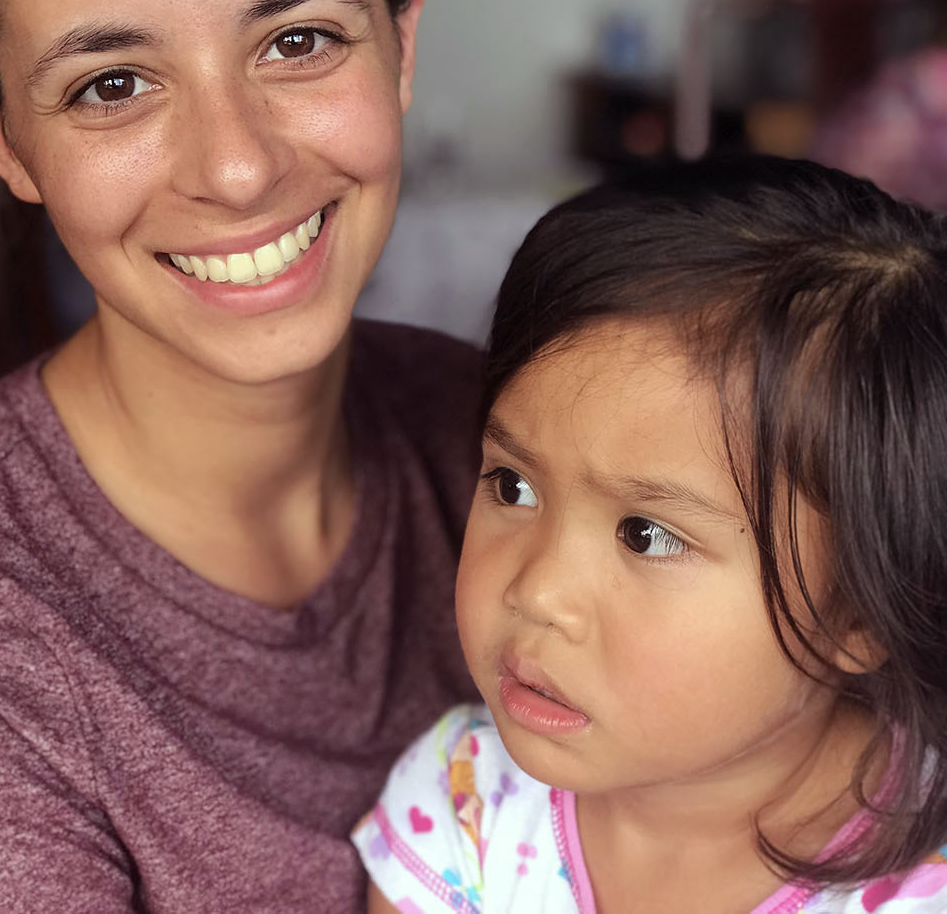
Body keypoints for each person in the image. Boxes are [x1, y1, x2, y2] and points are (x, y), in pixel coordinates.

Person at [0, 0, 481, 912]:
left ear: (400, 42)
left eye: (297, 41)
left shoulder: (500, 436)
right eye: (114, 83)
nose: (236, 166)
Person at [354, 156, 947, 912]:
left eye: (647, 535)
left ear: (861, 610)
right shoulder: (465, 804)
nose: (536, 591)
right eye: (513, 484)